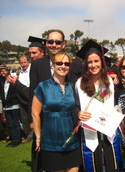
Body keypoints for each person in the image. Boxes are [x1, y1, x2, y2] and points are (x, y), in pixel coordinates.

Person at [29, 29, 82, 172]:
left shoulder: (73, 81)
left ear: (63, 44)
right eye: (59, 63)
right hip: (49, 134)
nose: (63, 66)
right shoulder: (40, 74)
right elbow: (34, 106)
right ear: (53, 65)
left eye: (57, 42)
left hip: (71, 137)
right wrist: (37, 135)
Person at [75, 40, 121, 172]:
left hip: (108, 130)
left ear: (101, 62)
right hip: (89, 132)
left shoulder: (109, 81)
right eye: (90, 62)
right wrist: (78, 113)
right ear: (86, 64)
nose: (93, 65)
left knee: (111, 163)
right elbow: (75, 106)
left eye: (96, 61)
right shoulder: (79, 83)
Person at [7, 56, 33, 143]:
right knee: (24, 117)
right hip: (22, 97)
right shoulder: (20, 72)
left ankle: (31, 135)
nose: (23, 64)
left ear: (28, 62)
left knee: (31, 117)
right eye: (21, 63)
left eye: (25, 62)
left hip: (30, 94)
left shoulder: (32, 70)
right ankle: (28, 135)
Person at [0, 66, 21, 147]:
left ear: (8, 71)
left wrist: (10, 98)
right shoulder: (2, 81)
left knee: (15, 123)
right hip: (6, 105)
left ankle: (17, 139)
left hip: (14, 104)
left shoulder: (13, 78)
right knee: (9, 123)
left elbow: (16, 91)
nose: (3, 73)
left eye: (4, 71)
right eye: (1, 71)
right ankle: (13, 139)